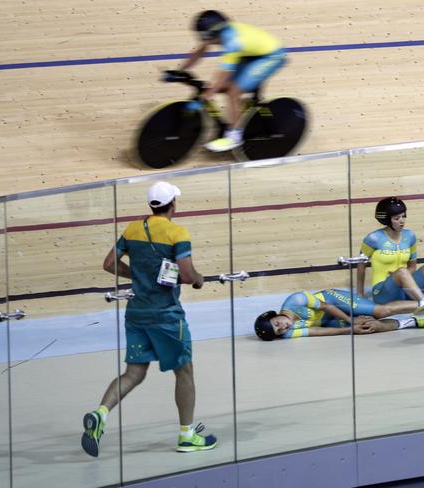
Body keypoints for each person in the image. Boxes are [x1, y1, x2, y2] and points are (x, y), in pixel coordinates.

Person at [81, 181, 217, 457]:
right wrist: (200, 279)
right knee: (185, 372)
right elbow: (189, 276)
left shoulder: (132, 229)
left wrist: (137, 276)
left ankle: (101, 413)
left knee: (133, 373)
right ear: (173, 205)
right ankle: (187, 436)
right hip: (166, 316)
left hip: (136, 314)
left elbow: (108, 264)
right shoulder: (176, 233)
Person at [174, 10, 286, 152]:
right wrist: (180, 70)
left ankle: (234, 137)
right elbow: (200, 51)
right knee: (222, 87)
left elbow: (222, 76)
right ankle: (239, 114)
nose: (203, 40)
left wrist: (204, 98)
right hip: (252, 53)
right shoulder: (219, 32)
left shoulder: (232, 43)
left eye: (204, 36)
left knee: (233, 90)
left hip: (271, 56)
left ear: (214, 33)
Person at [253, 288, 424, 340]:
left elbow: (327, 307)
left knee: (380, 311)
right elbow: (316, 331)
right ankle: (418, 322)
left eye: (277, 323)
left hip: (332, 302)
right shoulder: (288, 333)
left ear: (275, 315)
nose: (283, 327)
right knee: (368, 325)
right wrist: (352, 329)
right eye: (279, 331)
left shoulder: (295, 301)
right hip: (328, 322)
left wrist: (350, 319)